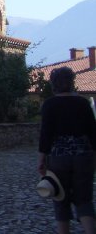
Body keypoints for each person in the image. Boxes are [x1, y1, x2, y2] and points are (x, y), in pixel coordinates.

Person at [38, 66, 96, 234]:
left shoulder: (50, 105)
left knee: (60, 198)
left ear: (53, 84)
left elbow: (45, 135)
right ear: (72, 83)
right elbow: (93, 132)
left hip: (59, 158)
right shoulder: (83, 103)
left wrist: (41, 160)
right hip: (83, 156)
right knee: (84, 200)